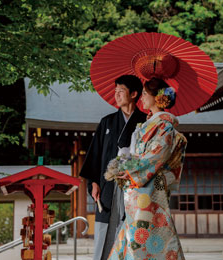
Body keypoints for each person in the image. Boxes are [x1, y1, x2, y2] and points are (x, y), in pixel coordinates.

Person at [107, 77, 187, 259]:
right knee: (135, 231)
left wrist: (128, 170)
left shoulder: (165, 126)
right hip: (139, 187)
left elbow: (154, 157)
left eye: (144, 93)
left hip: (149, 188)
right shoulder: (150, 124)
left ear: (156, 97)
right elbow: (142, 155)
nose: (141, 98)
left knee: (146, 233)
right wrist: (125, 160)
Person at [79, 75, 147, 260]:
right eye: (115, 91)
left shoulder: (146, 122)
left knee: (134, 233)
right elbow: (94, 155)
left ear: (134, 94)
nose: (116, 95)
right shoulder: (107, 122)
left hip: (134, 186)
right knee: (105, 235)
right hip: (108, 186)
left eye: (121, 91)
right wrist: (93, 182)